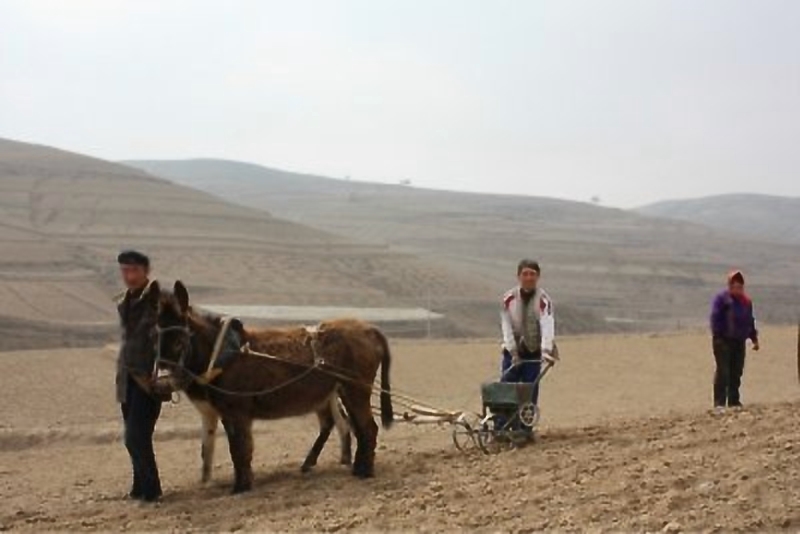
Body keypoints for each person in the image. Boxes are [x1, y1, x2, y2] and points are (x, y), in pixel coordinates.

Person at [115, 250, 163, 502]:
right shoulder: (126, 302)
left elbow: (169, 340)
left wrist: (162, 372)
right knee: (133, 436)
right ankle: (139, 487)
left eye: (134, 270)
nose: (129, 276)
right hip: (127, 379)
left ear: (146, 271)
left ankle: (152, 491)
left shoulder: (158, 302)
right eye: (125, 270)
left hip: (147, 380)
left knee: (136, 436)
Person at [500, 259, 558, 411]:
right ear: (518, 276)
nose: (529, 278)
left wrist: (546, 350)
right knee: (506, 390)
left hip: (533, 354)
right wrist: (513, 351)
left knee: (529, 392)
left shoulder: (544, 300)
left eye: (532, 274)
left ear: (538, 276)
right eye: (525, 274)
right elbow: (506, 325)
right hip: (512, 353)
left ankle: (526, 423)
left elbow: (547, 325)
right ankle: (502, 422)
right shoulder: (509, 298)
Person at [710, 270, 759, 413]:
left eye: (740, 287)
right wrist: (719, 335)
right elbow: (715, 318)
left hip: (739, 341)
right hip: (723, 341)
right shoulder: (722, 300)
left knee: (736, 371)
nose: (737, 289)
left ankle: (733, 401)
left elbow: (750, 321)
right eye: (735, 286)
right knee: (723, 371)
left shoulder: (746, 302)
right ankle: (719, 403)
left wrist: (754, 338)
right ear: (730, 286)